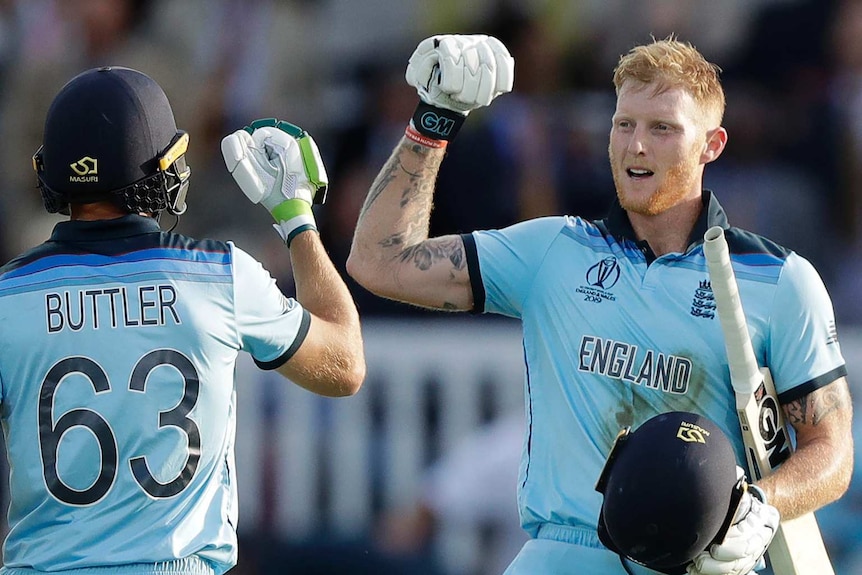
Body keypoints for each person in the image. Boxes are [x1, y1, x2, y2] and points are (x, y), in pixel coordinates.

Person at [346, 34, 854, 574]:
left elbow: (832, 450)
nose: (636, 145)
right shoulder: (553, 250)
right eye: (624, 124)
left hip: (702, 561)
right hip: (562, 553)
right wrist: (435, 119)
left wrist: (761, 505)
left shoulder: (779, 279)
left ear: (712, 144)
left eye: (662, 129)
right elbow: (379, 262)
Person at [0, 66, 365, 574]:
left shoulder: (6, 298)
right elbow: (344, 365)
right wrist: (297, 218)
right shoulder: (221, 276)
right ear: (163, 169)